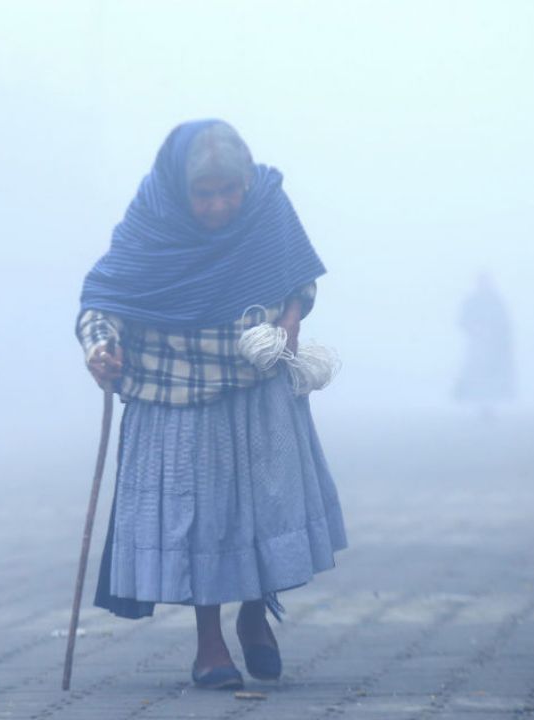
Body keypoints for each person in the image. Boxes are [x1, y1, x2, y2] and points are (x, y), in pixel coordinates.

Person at [76, 120, 347, 690]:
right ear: (181, 188)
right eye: (204, 193)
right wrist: (100, 348)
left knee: (262, 508)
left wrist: (292, 315)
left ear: (246, 183)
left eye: (229, 191)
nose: (219, 205)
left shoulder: (267, 207)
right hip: (177, 394)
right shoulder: (151, 221)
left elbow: (298, 278)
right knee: (201, 521)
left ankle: (254, 614)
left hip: (256, 387)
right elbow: (104, 299)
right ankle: (209, 645)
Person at [452, 273, 514, 417]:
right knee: (476, 374)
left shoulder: (496, 301)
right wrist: (475, 329)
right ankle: (479, 401)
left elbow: (505, 322)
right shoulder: (472, 301)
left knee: (491, 374)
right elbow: (462, 320)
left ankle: (489, 403)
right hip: (477, 344)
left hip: (493, 345)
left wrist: (499, 337)